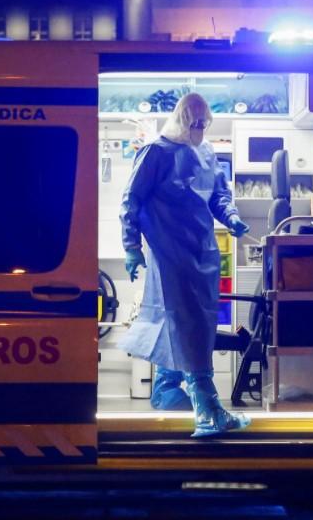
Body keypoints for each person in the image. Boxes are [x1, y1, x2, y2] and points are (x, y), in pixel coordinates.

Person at [119, 93, 253, 437]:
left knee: (198, 325)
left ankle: (169, 391)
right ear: (181, 119)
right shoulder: (156, 153)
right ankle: (209, 411)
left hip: (203, 253)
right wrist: (132, 247)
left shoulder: (206, 153)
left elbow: (218, 195)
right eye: (194, 123)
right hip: (170, 254)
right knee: (186, 324)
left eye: (203, 124)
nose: (199, 128)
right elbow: (131, 199)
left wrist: (233, 217)